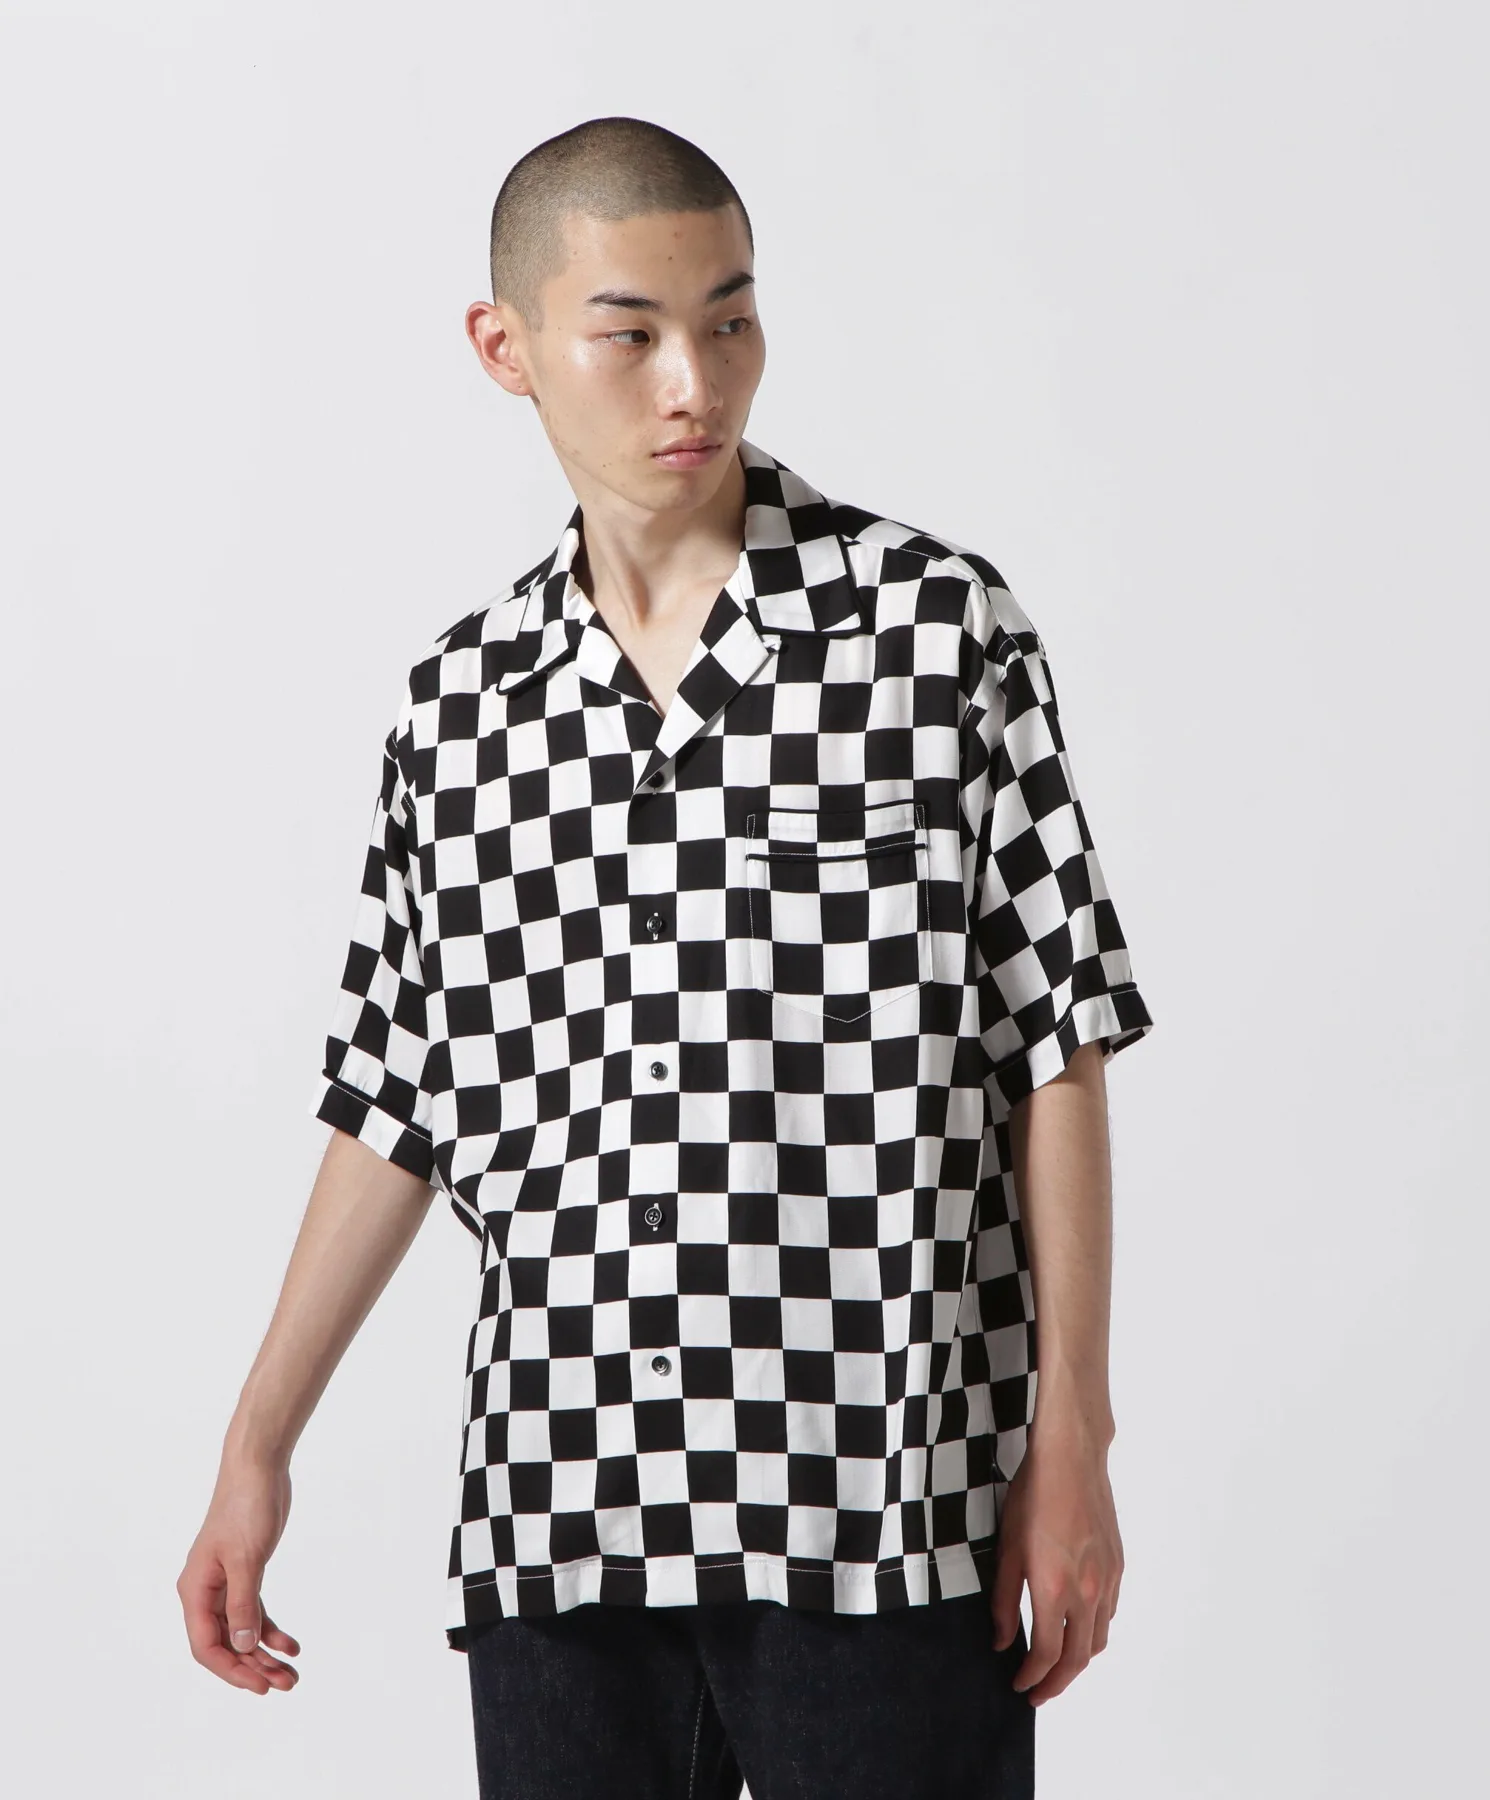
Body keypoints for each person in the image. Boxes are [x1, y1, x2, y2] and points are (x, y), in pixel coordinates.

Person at [178, 115, 1155, 1799]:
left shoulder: (934, 631)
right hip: (565, 1512)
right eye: (629, 334)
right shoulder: (461, 708)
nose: (695, 383)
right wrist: (255, 1445)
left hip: (882, 1506)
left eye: (731, 318)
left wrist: (1075, 1432)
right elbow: (396, 1101)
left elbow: (1053, 1041)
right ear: (507, 348)